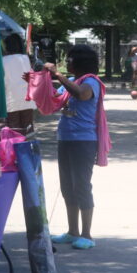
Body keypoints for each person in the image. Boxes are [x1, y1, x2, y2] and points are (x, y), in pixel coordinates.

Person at [43, 45, 106, 250]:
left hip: (84, 141)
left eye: (70, 60)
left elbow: (82, 95)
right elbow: (57, 98)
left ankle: (87, 234)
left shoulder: (90, 82)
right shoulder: (72, 82)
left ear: (81, 62)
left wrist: (57, 74)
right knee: (67, 188)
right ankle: (72, 232)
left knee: (81, 187)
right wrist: (38, 83)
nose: (67, 62)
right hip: (66, 138)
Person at [2, 33, 36, 133]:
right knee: (28, 129)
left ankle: (15, 148)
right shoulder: (25, 58)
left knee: (14, 130)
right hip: (27, 99)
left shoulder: (3, 60)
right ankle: (29, 148)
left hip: (11, 99)